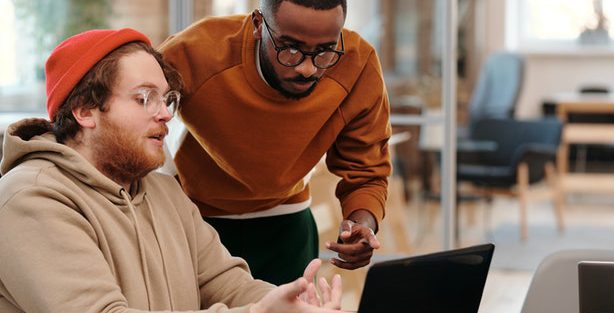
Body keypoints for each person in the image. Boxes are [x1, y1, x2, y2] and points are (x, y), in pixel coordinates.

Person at [0, 28, 344, 313]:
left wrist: (293, 306)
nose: (165, 114)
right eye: (143, 98)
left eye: (167, 99)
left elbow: (226, 284)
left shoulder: (166, 192)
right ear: (85, 111)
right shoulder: (30, 200)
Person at [159, 0, 392, 285]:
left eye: (324, 51)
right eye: (290, 49)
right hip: (194, 221)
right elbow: (132, 118)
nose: (307, 68)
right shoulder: (194, 52)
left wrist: (362, 224)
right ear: (259, 25)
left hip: (286, 225)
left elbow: (367, 171)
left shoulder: (358, 64)